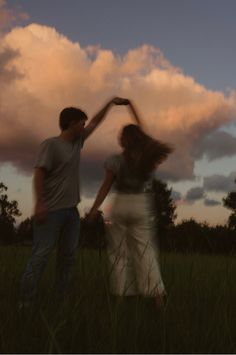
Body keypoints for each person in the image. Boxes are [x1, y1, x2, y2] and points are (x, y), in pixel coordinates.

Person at [20, 96, 128, 308]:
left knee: (67, 259)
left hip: (71, 213)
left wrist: (110, 103)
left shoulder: (78, 143)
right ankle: (25, 302)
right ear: (71, 123)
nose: (85, 126)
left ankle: (60, 300)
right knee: (41, 256)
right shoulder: (50, 145)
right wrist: (39, 203)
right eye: (81, 123)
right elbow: (39, 174)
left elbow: (96, 122)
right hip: (50, 212)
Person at [87, 100, 173, 308]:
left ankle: (120, 300)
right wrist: (132, 106)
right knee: (146, 252)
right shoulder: (148, 157)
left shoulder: (115, 160)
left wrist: (93, 210)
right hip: (141, 205)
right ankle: (158, 300)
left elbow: (105, 187)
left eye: (121, 135)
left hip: (120, 205)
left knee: (119, 253)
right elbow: (142, 128)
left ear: (125, 140)